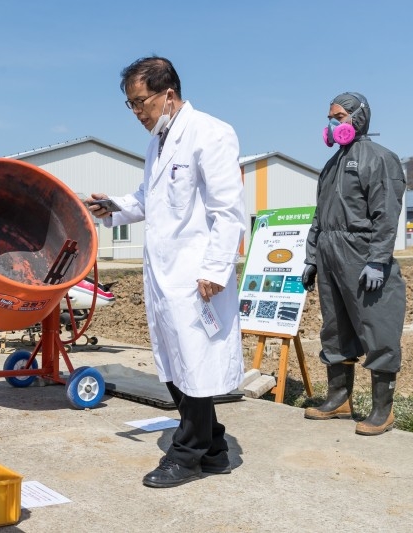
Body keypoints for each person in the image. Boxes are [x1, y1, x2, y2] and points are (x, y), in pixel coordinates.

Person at [86, 56, 246, 488]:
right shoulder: (158, 141)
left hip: (197, 274)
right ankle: (213, 446)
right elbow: (148, 198)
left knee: (194, 362)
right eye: (131, 105)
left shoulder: (210, 134)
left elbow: (229, 212)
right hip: (163, 274)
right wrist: (114, 207)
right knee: (176, 363)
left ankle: (186, 454)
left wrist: (215, 268)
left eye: (141, 102)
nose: (137, 113)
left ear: (168, 94)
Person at [302, 92, 407, 436]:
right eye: (330, 117)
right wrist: (312, 258)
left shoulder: (379, 159)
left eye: (339, 116)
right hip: (330, 255)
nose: (332, 124)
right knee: (335, 329)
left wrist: (377, 260)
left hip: (362, 255)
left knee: (378, 327)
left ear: (359, 118)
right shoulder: (331, 165)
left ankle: (382, 410)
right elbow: (320, 216)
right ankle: (339, 399)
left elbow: (386, 215)